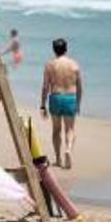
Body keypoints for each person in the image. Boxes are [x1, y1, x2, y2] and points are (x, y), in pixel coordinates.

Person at [40, 39, 83, 169]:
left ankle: (58, 159)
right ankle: (68, 150)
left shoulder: (50, 65)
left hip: (56, 97)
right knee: (70, 129)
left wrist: (42, 104)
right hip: (70, 98)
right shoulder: (74, 65)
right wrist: (78, 104)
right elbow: (80, 87)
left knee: (56, 130)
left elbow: (45, 87)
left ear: (54, 50)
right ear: (66, 49)